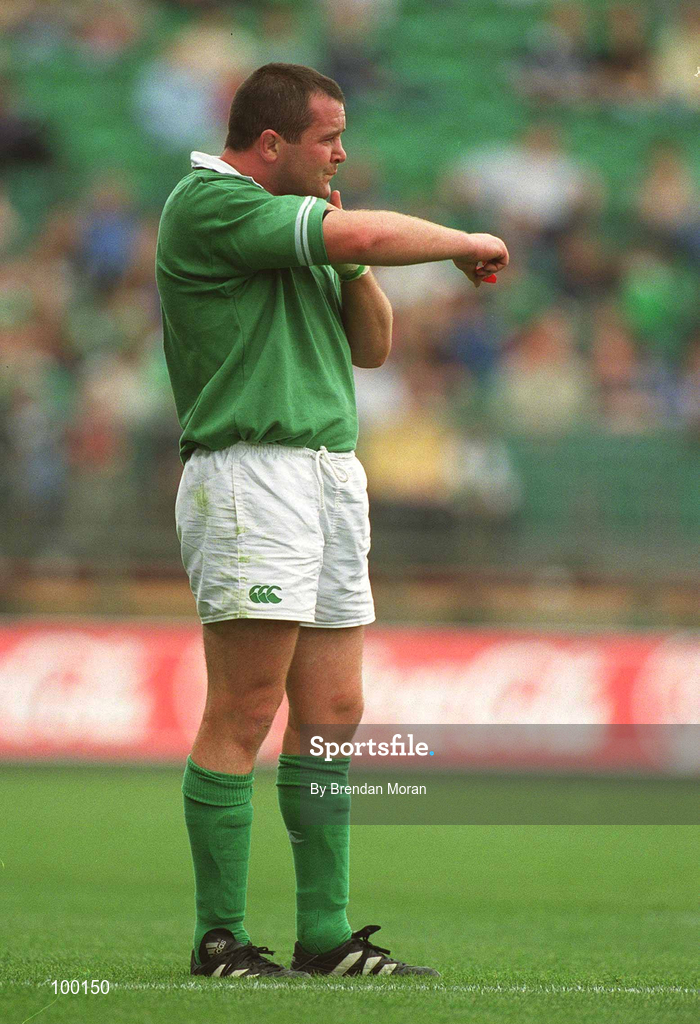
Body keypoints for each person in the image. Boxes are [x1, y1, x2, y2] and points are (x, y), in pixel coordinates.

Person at [155, 62, 507, 981]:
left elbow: (372, 346)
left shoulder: (299, 227)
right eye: (329, 137)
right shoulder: (211, 203)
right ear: (271, 143)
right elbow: (370, 228)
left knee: (336, 712)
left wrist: (348, 261)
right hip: (251, 472)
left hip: (325, 474)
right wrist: (462, 239)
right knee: (245, 708)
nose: (342, 153)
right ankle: (219, 939)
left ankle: (326, 938)